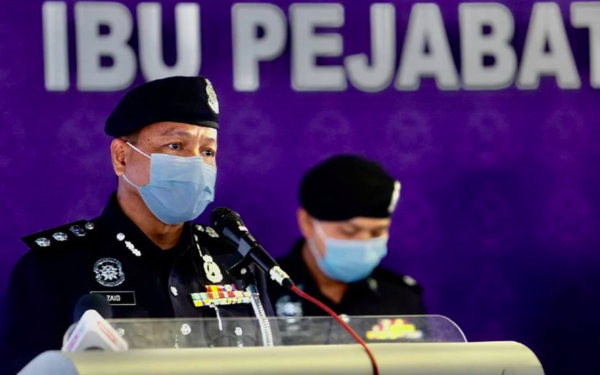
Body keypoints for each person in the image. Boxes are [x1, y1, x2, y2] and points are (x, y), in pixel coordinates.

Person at [0, 76, 274, 374]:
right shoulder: (53, 267)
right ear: (121, 157)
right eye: (175, 145)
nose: (196, 163)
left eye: (207, 151)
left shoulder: (235, 261)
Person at [269, 155, 425, 319]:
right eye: (349, 232)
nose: (364, 242)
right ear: (307, 223)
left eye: (377, 232)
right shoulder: (261, 293)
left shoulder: (402, 298)